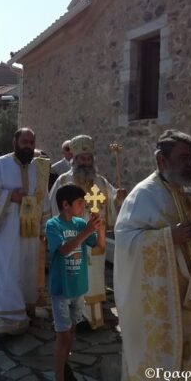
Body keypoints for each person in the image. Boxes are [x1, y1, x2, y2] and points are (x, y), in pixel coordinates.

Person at [114, 130, 191, 381]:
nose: (190, 163)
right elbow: (125, 241)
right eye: (184, 157)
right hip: (161, 301)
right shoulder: (143, 194)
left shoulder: (188, 193)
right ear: (161, 160)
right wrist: (167, 237)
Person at [49, 134, 126, 329]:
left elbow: (112, 202)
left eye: (89, 158)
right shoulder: (64, 181)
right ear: (74, 159)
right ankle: (75, 317)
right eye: (82, 158)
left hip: (94, 237)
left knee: (93, 277)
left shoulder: (100, 181)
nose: (86, 162)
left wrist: (118, 199)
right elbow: (54, 207)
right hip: (73, 237)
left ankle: (93, 317)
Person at [0, 128, 51, 335]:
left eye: (31, 142)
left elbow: (44, 196)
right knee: (7, 268)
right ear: (15, 142)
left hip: (31, 228)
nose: (28, 146)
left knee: (28, 267)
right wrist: (11, 196)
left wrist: (45, 226)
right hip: (7, 227)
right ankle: (7, 317)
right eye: (24, 142)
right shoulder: (0, 164)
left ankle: (26, 307)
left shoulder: (39, 168)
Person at [47, 184, 104, 381]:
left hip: (78, 288)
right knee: (62, 336)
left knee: (71, 332)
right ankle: (59, 378)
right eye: (80, 203)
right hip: (62, 289)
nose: (83, 207)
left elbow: (99, 245)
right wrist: (87, 231)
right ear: (66, 205)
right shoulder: (53, 225)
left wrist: (99, 227)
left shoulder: (80, 223)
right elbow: (63, 250)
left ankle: (64, 364)